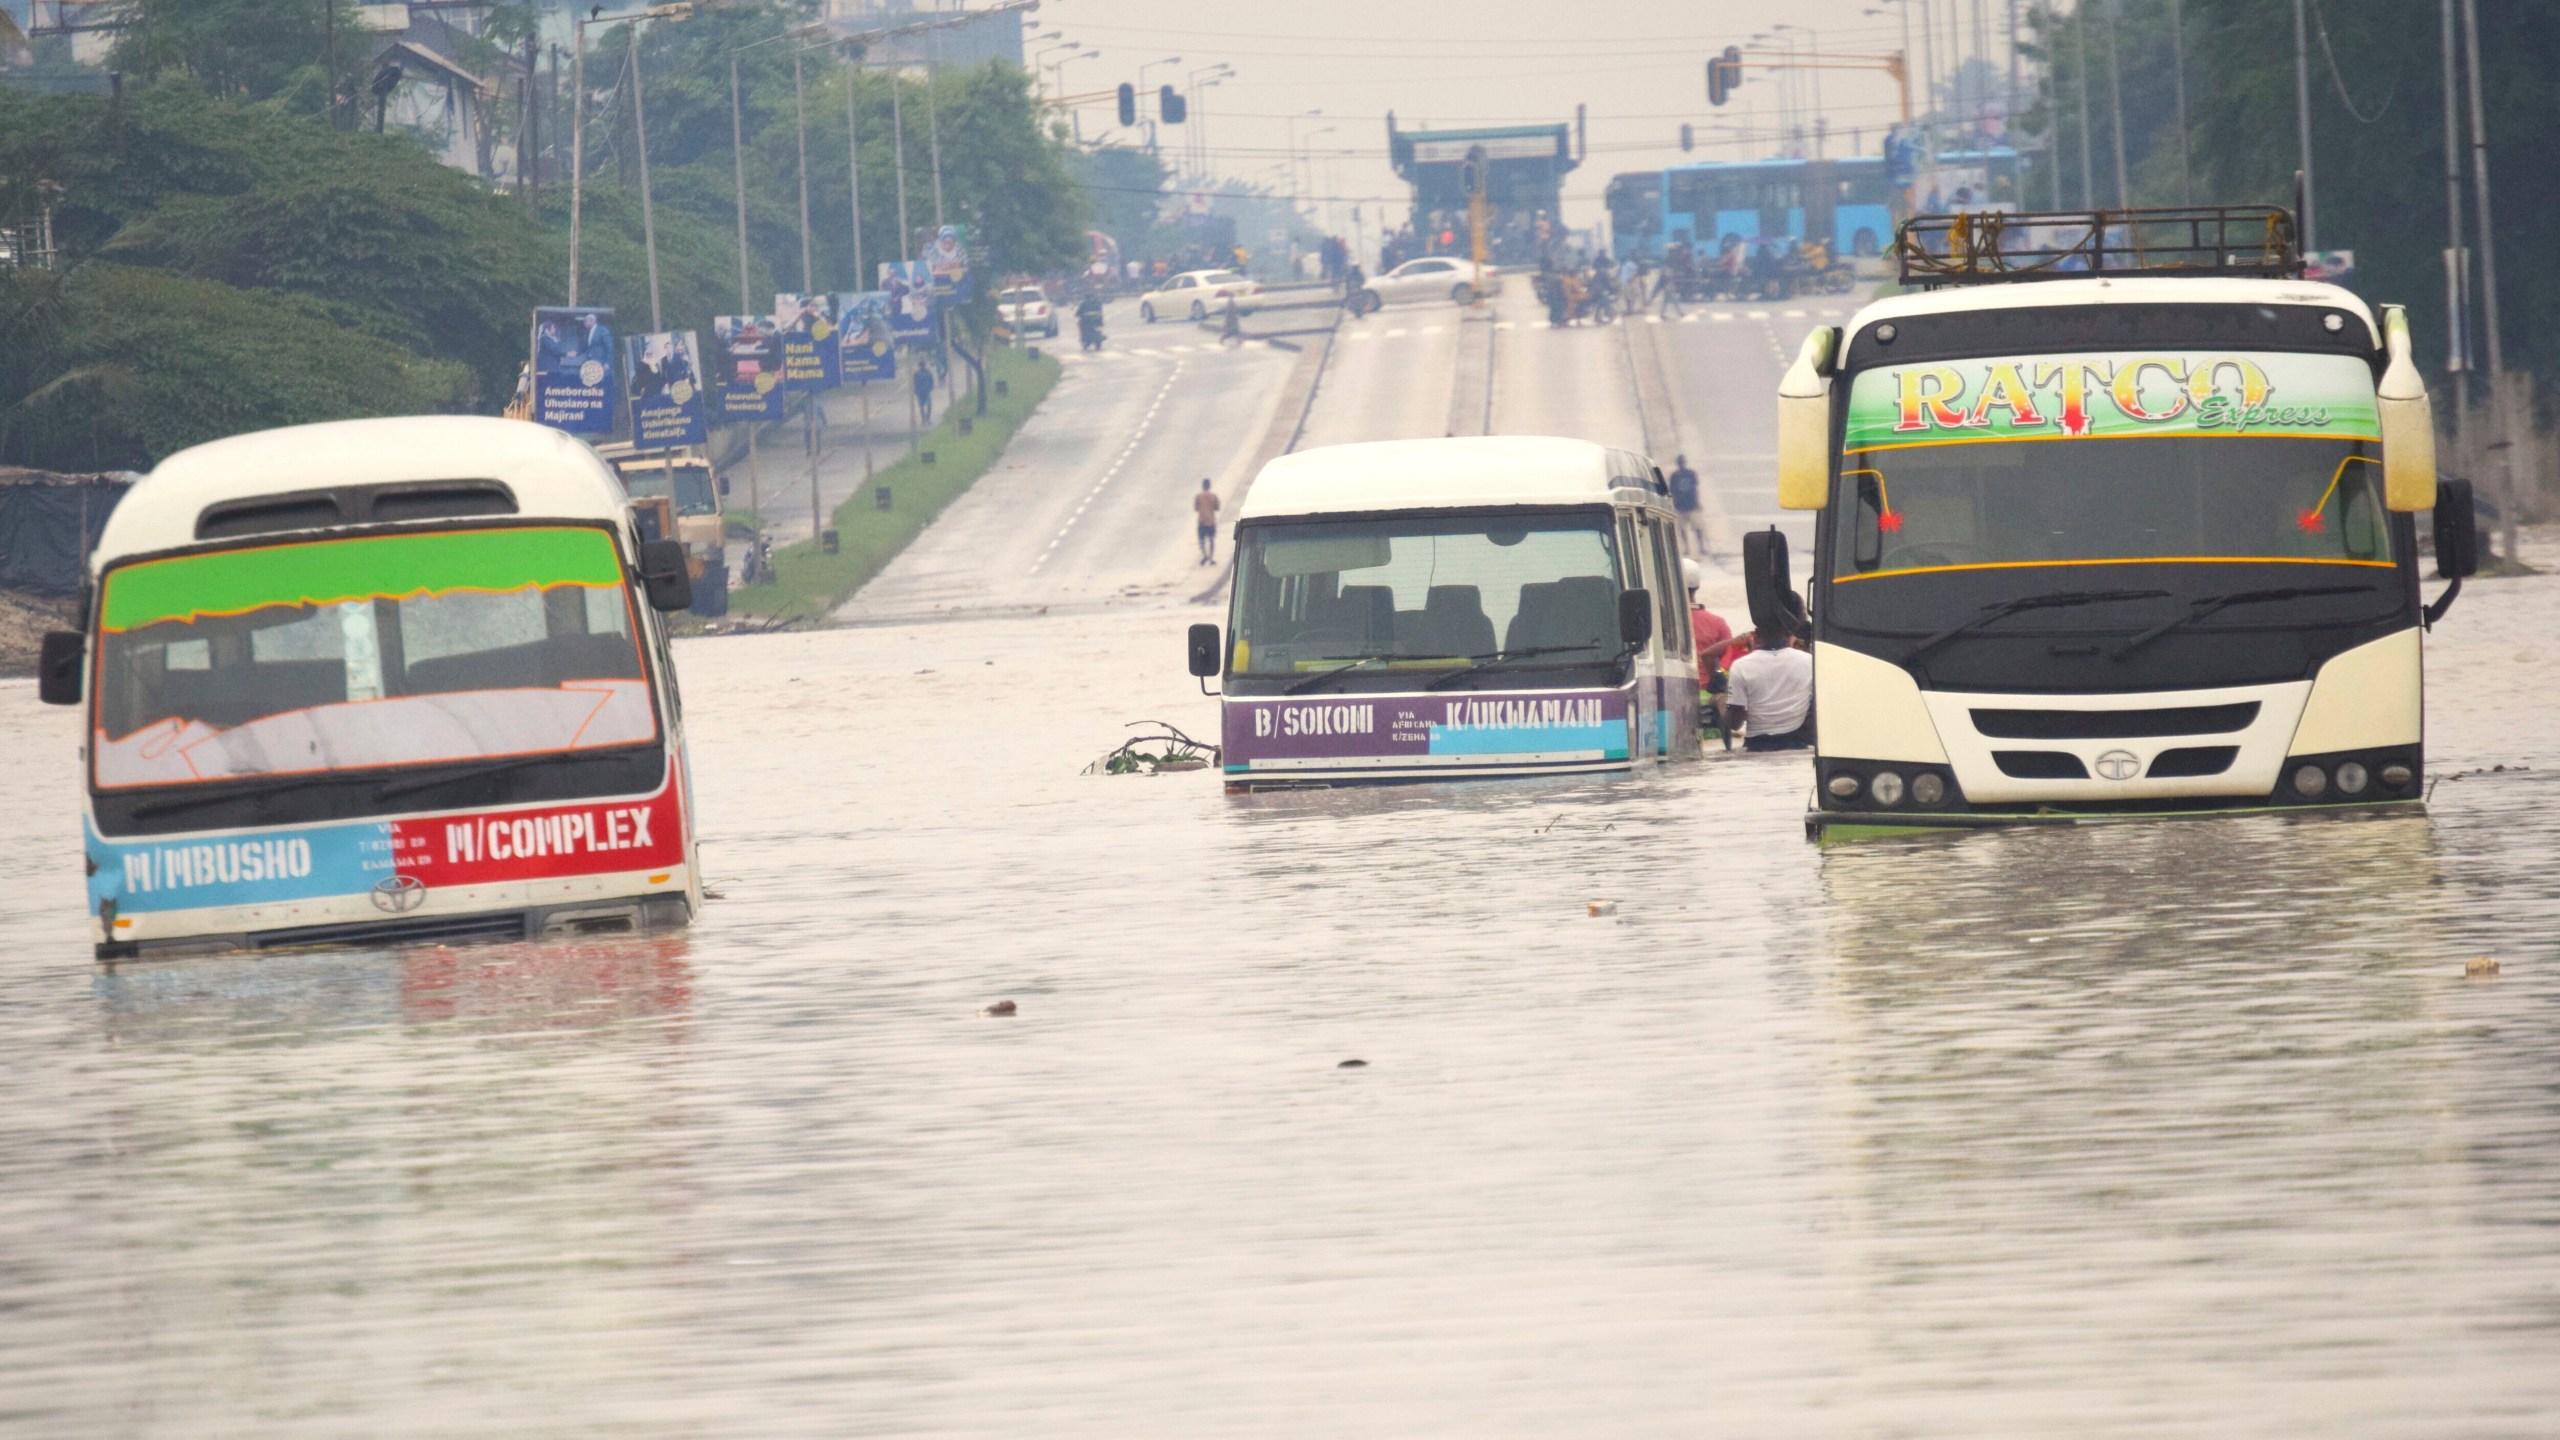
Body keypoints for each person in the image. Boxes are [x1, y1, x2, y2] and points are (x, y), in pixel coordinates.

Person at [1722, 625, 1815, 751]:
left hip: (1756, 744)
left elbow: (1735, 722)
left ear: (1756, 634)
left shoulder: (1740, 666)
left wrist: (1722, 704)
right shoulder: (1809, 661)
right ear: (1790, 635)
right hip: (1796, 741)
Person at [1667, 454, 1704, 554]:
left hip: (1687, 505)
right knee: (1687, 529)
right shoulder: (1681, 475)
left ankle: (1697, 547)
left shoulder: (1683, 475)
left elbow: (1695, 489)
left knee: (1695, 528)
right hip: (1684, 505)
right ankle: (1693, 548)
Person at [1192, 479, 1221, 565]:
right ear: (1209, 486)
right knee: (1211, 539)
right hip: (1211, 521)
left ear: (1202, 486)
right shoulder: (1214, 496)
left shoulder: (1198, 496)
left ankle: (1205, 555)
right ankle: (1211, 558)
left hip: (1202, 521)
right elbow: (1217, 508)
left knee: (1202, 540)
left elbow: (1196, 508)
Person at [911, 359, 936, 425]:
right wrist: (931, 388)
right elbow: (931, 381)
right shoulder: (928, 372)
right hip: (925, 391)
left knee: (922, 406)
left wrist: (915, 390)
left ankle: (924, 419)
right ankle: (926, 419)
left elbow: (914, 383)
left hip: (921, 391)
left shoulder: (916, 373)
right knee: (928, 405)